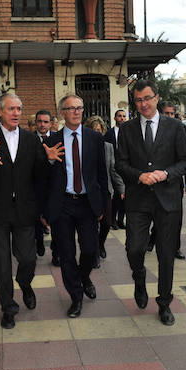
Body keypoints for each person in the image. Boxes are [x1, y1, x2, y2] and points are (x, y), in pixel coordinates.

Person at [0, 93, 58, 329]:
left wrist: (49, 160)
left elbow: (39, 174)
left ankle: (25, 283)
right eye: (11, 109)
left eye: (19, 109)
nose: (16, 113)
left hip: (24, 210)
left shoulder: (31, 140)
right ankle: (8, 307)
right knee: (1, 264)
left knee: (28, 259)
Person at [116, 80, 186, 326]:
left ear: (157, 97)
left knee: (166, 253)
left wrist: (166, 174)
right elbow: (120, 164)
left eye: (147, 98)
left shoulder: (175, 127)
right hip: (138, 198)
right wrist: (139, 175)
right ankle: (139, 279)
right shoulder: (126, 129)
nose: (144, 104)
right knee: (134, 249)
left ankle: (164, 302)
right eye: (139, 100)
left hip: (168, 200)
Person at [42, 95, 110, 318]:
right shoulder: (51, 140)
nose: (76, 112)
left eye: (79, 108)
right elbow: (43, 178)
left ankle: (84, 277)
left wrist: (101, 205)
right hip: (62, 205)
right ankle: (76, 296)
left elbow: (101, 174)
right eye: (71, 108)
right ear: (62, 113)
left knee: (90, 250)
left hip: (87, 204)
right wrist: (49, 160)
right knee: (67, 253)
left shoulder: (94, 138)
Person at [153, 103, 186, 260]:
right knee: (157, 217)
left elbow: (185, 159)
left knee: (176, 219)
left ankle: (176, 247)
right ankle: (152, 239)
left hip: (174, 184)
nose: (169, 116)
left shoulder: (179, 129)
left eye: (172, 114)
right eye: (166, 113)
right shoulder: (154, 131)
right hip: (155, 184)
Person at [84, 115, 124, 269]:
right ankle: (94, 254)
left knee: (106, 223)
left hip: (105, 190)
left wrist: (121, 189)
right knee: (92, 224)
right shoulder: (84, 146)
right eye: (94, 130)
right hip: (88, 192)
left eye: (99, 131)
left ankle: (101, 245)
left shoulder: (108, 146)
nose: (97, 133)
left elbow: (113, 169)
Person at [32, 109, 56, 261]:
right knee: (36, 217)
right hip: (35, 186)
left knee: (55, 219)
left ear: (51, 123)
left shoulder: (57, 138)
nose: (42, 125)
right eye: (39, 121)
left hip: (53, 186)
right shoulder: (29, 139)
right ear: (35, 123)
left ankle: (56, 250)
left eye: (45, 122)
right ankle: (39, 240)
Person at [105, 107, 128, 229]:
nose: (122, 118)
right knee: (115, 197)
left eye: (124, 116)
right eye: (120, 116)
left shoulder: (129, 133)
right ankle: (112, 220)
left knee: (125, 196)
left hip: (125, 169)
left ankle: (120, 220)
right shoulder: (109, 134)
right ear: (115, 118)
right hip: (112, 169)